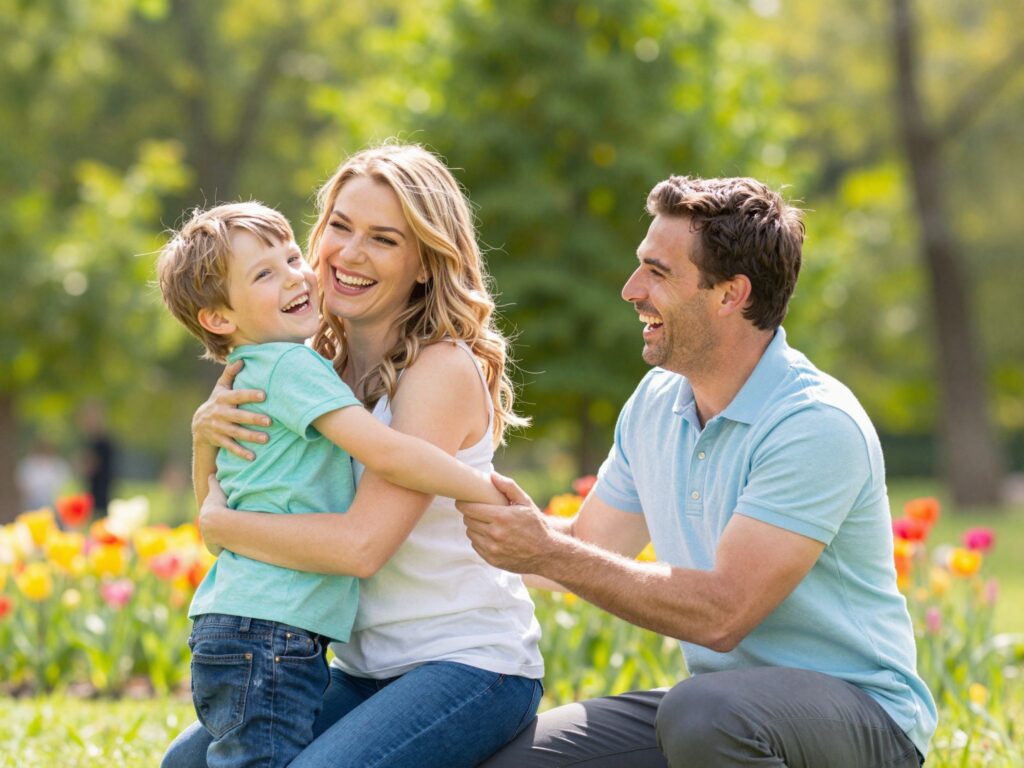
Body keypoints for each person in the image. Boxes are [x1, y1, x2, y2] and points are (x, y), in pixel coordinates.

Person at [459, 176, 937, 767]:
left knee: (702, 714)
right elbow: (588, 545)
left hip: (864, 721)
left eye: (658, 272)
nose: (631, 289)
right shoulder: (657, 403)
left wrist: (546, 553)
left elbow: (721, 615)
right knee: (519, 761)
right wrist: (447, 514)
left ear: (730, 294)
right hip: (724, 715)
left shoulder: (814, 424)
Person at [161, 145, 543, 768]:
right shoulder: (307, 361)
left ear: (424, 264)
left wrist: (222, 528)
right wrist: (204, 436)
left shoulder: (438, 368)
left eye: (384, 239)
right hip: (364, 666)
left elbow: (360, 548)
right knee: (187, 762)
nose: (350, 253)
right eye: (340, 226)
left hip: (468, 663)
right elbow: (241, 486)